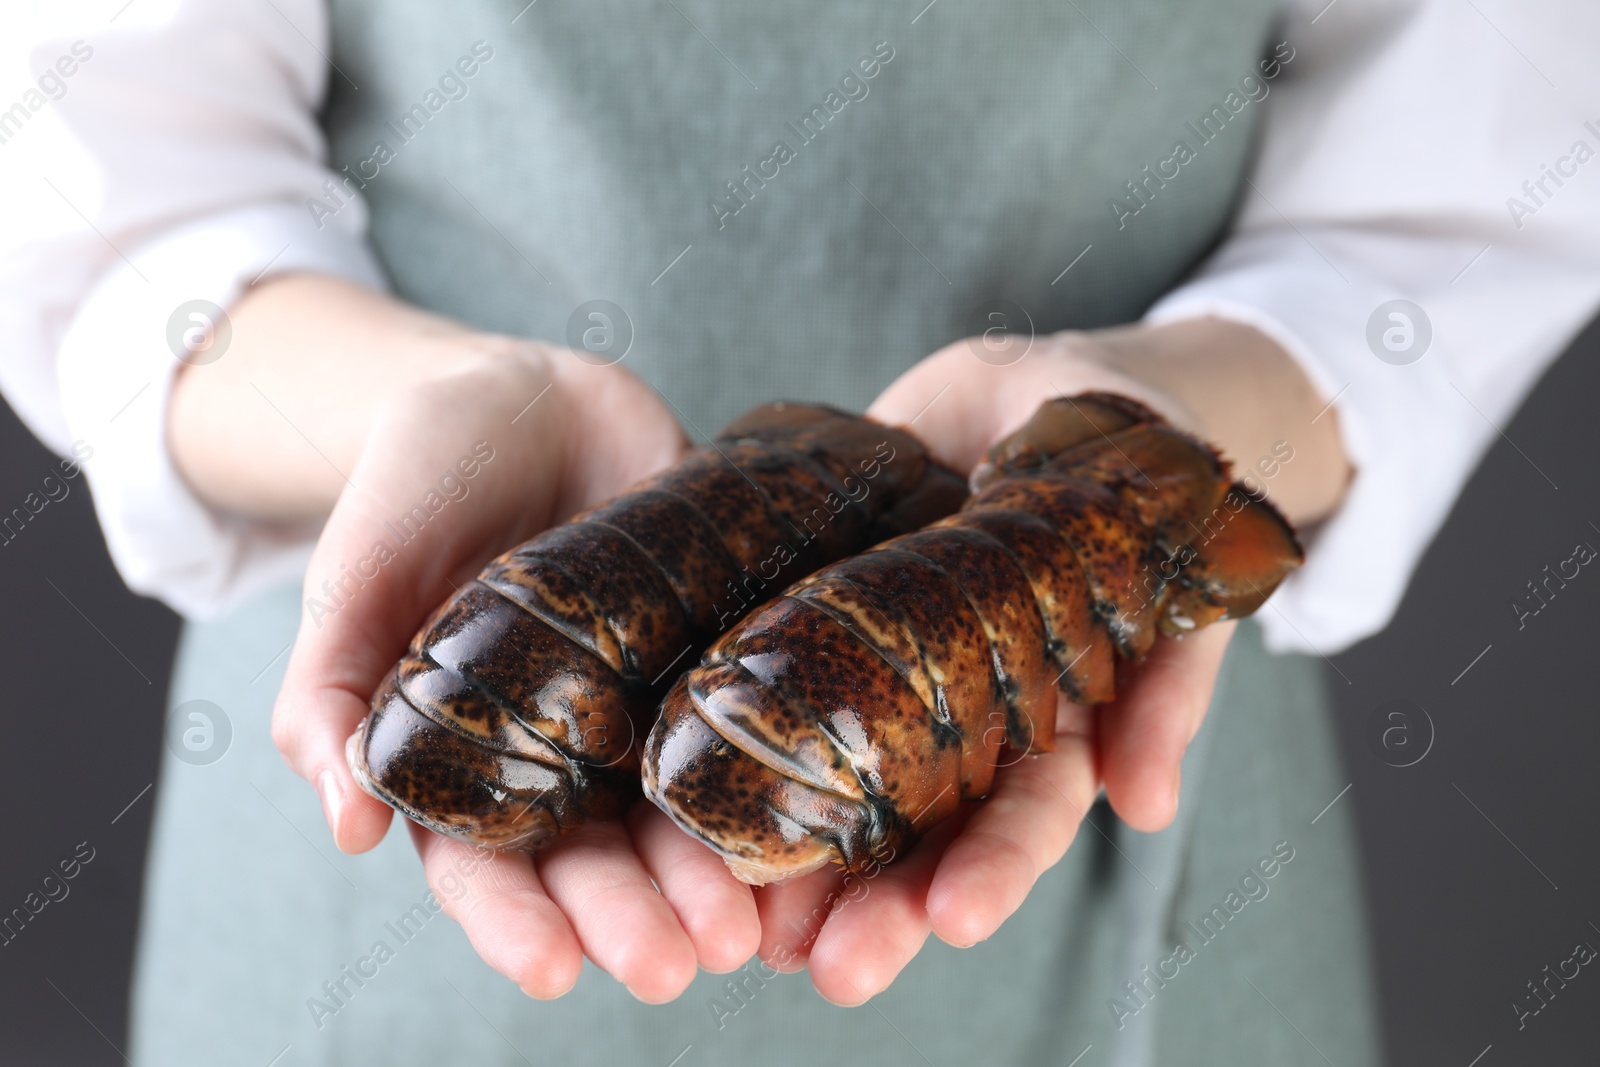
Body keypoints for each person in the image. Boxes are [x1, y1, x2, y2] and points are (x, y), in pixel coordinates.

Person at [1, 1, 1596, 1063]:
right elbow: (110, 194)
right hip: (383, 919)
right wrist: (428, 408)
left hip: (1145, 869)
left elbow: (1454, 202)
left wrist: (1174, 400)